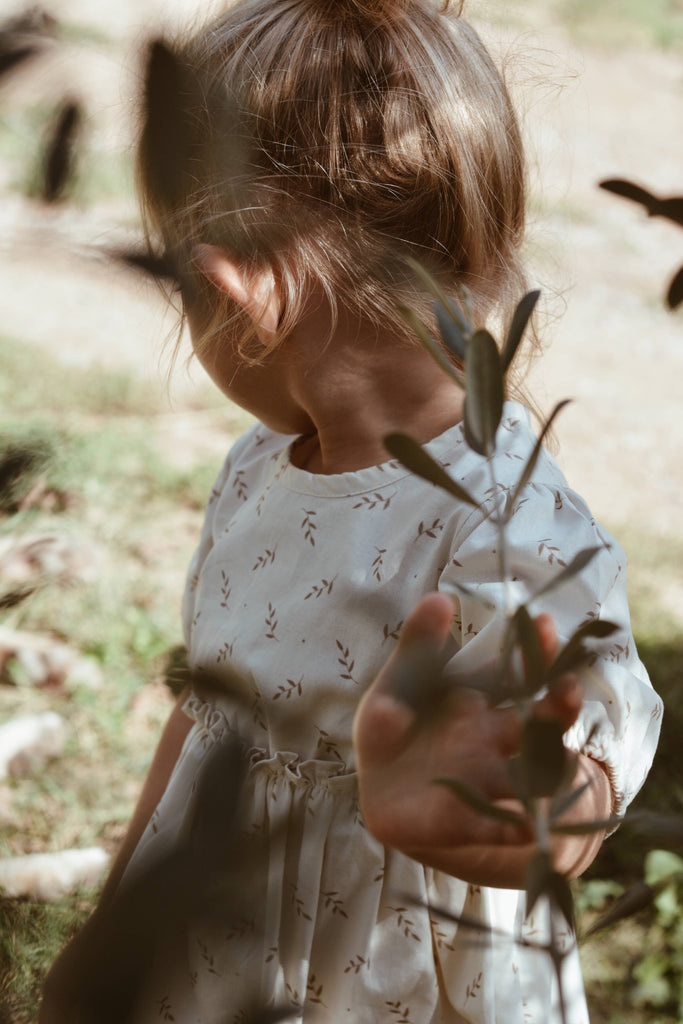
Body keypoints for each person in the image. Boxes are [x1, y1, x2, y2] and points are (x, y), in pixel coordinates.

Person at [43, 1, 662, 1021]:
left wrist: (501, 811)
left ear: (236, 294)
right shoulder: (256, 467)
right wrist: (122, 917)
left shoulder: (502, 522)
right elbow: (205, 718)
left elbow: (581, 792)